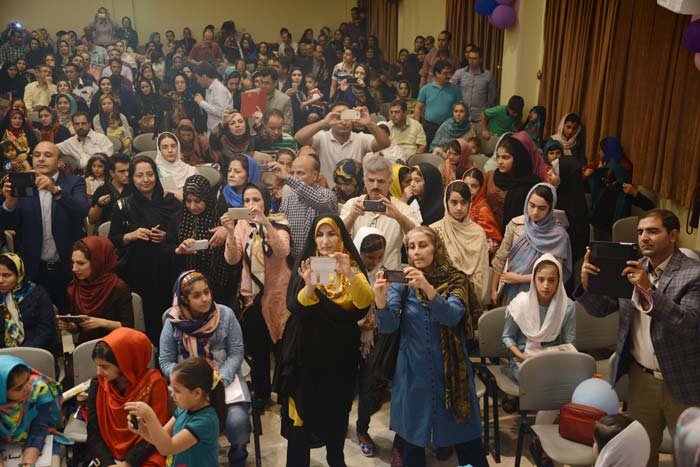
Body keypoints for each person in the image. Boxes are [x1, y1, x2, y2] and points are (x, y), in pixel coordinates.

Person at [578, 209, 700, 467]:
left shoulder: (694, 274)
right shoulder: (631, 268)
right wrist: (588, 286)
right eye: (640, 232)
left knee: (690, 458)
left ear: (673, 235)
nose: (644, 237)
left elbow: (688, 324)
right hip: (643, 380)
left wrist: (648, 290)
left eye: (653, 231)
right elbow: (601, 309)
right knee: (640, 456)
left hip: (684, 381)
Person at [374, 226, 488, 467]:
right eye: (411, 247)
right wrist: (381, 299)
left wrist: (427, 288)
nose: (416, 252)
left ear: (436, 248)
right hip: (412, 372)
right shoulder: (402, 282)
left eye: (423, 245)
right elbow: (388, 326)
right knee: (413, 439)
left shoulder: (456, 279)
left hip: (451, 373)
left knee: (467, 441)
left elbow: (452, 316)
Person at [276, 215, 374, 466]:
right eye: (320, 235)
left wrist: (348, 273)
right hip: (306, 355)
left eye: (331, 234)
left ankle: (336, 459)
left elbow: (364, 303)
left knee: (337, 412)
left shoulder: (350, 265)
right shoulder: (308, 264)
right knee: (302, 414)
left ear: (341, 237)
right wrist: (309, 286)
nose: (325, 241)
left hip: (340, 355)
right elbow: (295, 306)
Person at [159, 270, 251, 467]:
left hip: (225, 383)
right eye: (197, 295)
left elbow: (236, 353)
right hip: (189, 389)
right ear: (184, 299)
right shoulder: (173, 322)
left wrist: (220, 380)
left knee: (238, 425)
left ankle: (238, 459)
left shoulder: (226, 315)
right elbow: (165, 361)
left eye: (207, 292)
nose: (205, 299)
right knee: (185, 428)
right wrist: (187, 379)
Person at [222, 181, 292, 409]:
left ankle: (285, 394)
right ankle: (262, 394)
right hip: (251, 297)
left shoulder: (279, 221)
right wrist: (230, 232)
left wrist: (265, 224)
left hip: (277, 296)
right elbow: (232, 259)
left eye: (256, 199)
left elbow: (283, 250)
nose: (251, 205)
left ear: (266, 201)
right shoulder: (242, 225)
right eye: (247, 201)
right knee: (258, 349)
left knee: (281, 348)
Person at [0, 141, 88, 312]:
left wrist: (54, 190)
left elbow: (81, 210)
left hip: (68, 268)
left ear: (59, 162)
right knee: (36, 318)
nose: (41, 159)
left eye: (48, 155)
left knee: (68, 318)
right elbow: (7, 225)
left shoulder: (74, 182)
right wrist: (9, 203)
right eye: (37, 155)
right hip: (34, 269)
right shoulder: (23, 184)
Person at [109, 155, 181, 342]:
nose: (146, 179)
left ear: (156, 176)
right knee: (147, 318)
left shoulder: (171, 202)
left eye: (150, 174)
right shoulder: (123, 205)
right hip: (138, 269)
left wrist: (166, 237)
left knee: (172, 314)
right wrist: (131, 235)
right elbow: (113, 240)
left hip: (168, 267)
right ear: (132, 178)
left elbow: (182, 235)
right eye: (139, 175)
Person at [86, 327, 170, 467]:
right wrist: (108, 464)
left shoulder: (154, 383)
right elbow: (93, 433)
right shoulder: (98, 385)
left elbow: (159, 431)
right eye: (97, 365)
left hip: (145, 453)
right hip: (107, 456)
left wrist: (127, 463)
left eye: (104, 367)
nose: (99, 372)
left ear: (125, 363)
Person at [126, 358, 225, 467]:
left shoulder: (206, 421)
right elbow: (161, 440)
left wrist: (150, 416)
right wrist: (143, 430)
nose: (172, 395)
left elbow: (167, 448)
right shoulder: (183, 409)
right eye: (172, 389)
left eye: (177, 391)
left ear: (197, 393)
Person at [491, 183, 572, 304]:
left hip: (541, 295)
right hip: (510, 291)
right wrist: (493, 289)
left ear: (550, 208)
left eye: (542, 208)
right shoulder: (516, 224)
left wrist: (518, 279)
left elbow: (555, 273)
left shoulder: (558, 235)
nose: (535, 212)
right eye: (532, 205)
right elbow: (500, 258)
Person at [502, 253, 576, 381]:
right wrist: (520, 356)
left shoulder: (567, 306)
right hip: (524, 358)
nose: (546, 286)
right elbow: (507, 336)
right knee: (538, 381)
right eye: (541, 279)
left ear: (559, 281)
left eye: (551, 280)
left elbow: (570, 342)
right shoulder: (520, 303)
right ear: (533, 280)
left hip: (553, 359)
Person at [342, 156, 420, 269]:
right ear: (364, 181)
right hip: (357, 275)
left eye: (381, 181)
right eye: (371, 180)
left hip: (389, 276)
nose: (375, 186)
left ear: (390, 182)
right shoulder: (352, 205)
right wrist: (351, 217)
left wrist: (398, 217)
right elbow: (337, 237)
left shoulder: (401, 208)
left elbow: (418, 237)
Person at [174, 175, 237, 308]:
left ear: (206, 197)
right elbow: (166, 246)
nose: (192, 206)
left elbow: (244, 227)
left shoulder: (222, 212)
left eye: (197, 201)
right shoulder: (180, 216)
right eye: (188, 201)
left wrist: (227, 230)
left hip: (220, 283)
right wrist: (179, 250)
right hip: (189, 285)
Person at [295, 102, 390, 187]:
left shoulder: (360, 138)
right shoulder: (321, 137)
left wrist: (370, 123)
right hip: (326, 193)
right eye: (337, 116)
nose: (343, 121)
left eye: (346, 115)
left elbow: (385, 143)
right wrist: (323, 123)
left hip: (353, 194)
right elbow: (299, 138)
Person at [61, 236, 134, 344]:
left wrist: (102, 323)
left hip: (115, 344)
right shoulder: (76, 285)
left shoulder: (118, 288)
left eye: (81, 263)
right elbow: (79, 327)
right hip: (86, 345)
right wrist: (71, 326)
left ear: (97, 262)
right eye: (73, 262)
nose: (74, 269)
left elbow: (128, 326)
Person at [270, 147, 339, 259]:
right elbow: (282, 231)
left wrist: (288, 178)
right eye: (292, 173)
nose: (295, 177)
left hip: (323, 260)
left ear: (315, 175)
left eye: (300, 173)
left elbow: (320, 203)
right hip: (294, 262)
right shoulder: (288, 199)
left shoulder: (327, 195)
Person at [430, 180, 490, 304]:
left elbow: (481, 272)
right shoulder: (434, 231)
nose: (459, 208)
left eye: (463, 202)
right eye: (454, 202)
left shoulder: (478, 233)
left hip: (472, 296)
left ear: (469, 203)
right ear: (446, 202)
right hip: (440, 296)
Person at [0, 355, 62, 466]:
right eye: (19, 388)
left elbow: (39, 430)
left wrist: (28, 464)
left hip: (38, 441)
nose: (28, 387)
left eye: (28, 378)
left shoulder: (38, 389)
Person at [0, 253, 56, 352]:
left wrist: (22, 352)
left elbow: (45, 331)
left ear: (19, 275)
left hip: (34, 352)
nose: (1, 280)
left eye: (6, 275)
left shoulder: (38, 294)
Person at [484, 135, 540, 232]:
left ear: (517, 158)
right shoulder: (491, 176)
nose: (500, 162)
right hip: (489, 229)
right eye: (498, 157)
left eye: (505, 157)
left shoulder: (529, 184)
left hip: (517, 232)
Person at [415, 61, 463, 148]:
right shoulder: (426, 89)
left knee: (448, 150)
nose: (449, 76)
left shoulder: (455, 89)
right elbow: (418, 108)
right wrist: (417, 126)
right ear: (437, 74)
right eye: (445, 73)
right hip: (430, 127)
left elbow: (461, 107)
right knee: (429, 150)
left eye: (450, 73)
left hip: (449, 127)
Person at [450, 46, 498, 124]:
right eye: (469, 58)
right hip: (462, 116)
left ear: (480, 60)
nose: (471, 61)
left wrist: (487, 110)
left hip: (479, 117)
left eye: (474, 59)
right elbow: (450, 88)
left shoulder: (488, 75)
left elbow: (493, 95)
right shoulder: (460, 73)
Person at [462, 167, 503, 255]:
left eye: (474, 186)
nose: (469, 189)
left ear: (481, 188)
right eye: (466, 185)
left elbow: (494, 243)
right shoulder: (459, 204)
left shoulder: (482, 210)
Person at [88, 153, 131, 227]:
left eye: (128, 170)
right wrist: (99, 205)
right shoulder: (102, 190)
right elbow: (91, 220)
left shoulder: (135, 188)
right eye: (122, 171)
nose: (127, 174)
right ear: (112, 173)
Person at [154, 132, 197, 199]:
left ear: (178, 147)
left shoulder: (191, 170)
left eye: (173, 146)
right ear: (160, 150)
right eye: (165, 147)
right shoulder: (155, 172)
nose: (170, 150)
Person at [194, 63, 232, 133]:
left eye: (198, 78)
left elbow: (222, 112)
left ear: (204, 77)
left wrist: (202, 103)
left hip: (222, 132)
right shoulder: (208, 89)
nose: (197, 81)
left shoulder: (219, 90)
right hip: (212, 131)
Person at [258, 67, 294, 133]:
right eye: (261, 82)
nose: (263, 86)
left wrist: (271, 132)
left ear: (275, 83)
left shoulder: (284, 100)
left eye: (266, 83)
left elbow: (288, 126)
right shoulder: (251, 96)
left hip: (276, 136)